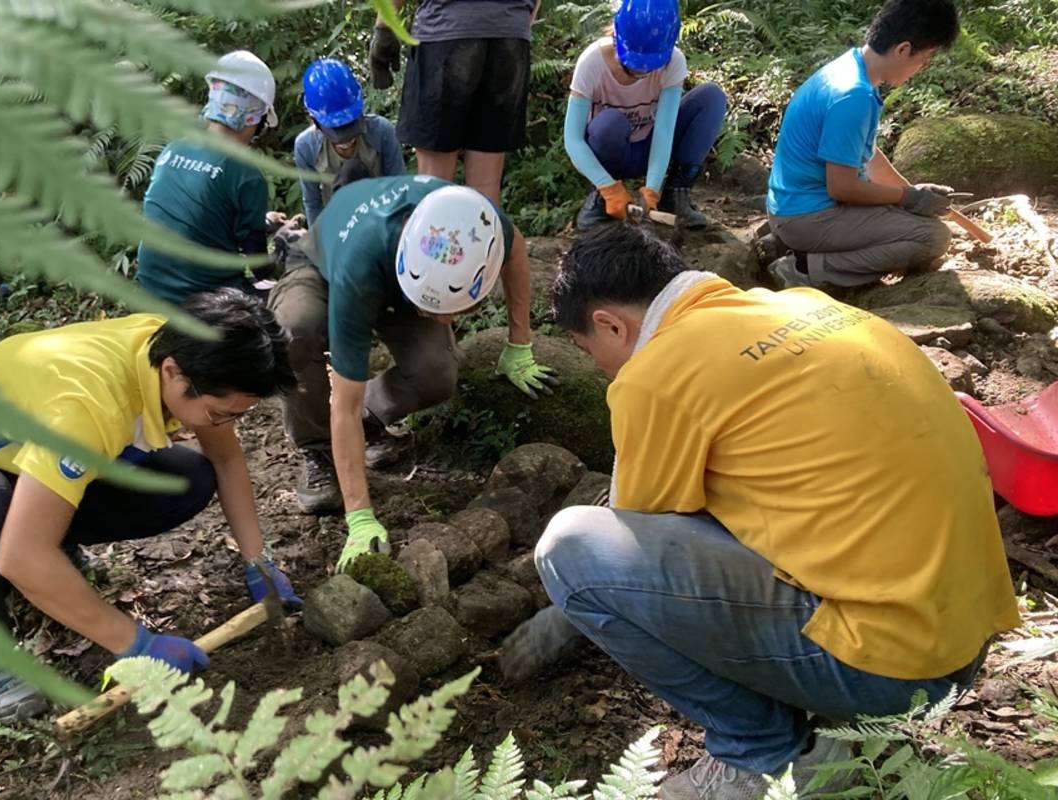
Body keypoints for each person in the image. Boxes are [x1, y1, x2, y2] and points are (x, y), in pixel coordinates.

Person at [503, 222, 1021, 799]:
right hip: (963, 642)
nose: (600, 367)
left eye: (589, 351)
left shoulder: (656, 373)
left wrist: (566, 611)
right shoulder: (805, 306)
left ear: (609, 324)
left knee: (568, 546)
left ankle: (758, 755)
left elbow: (630, 538)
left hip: (889, 674)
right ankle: (841, 738)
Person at [0, 290, 302, 722]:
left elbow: (225, 457)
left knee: (184, 479)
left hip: (15, 450)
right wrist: (137, 644)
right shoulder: (90, 404)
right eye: (218, 414)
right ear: (173, 373)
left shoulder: (178, 346)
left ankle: (47, 546)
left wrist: (257, 561)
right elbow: (20, 557)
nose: (222, 425)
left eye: (235, 415)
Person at [267, 175, 557, 568]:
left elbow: (517, 249)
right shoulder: (360, 270)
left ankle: (369, 422)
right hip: (323, 264)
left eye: (449, 310)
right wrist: (360, 518)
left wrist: (519, 345)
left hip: (407, 275)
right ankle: (318, 449)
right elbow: (344, 402)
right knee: (295, 328)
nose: (440, 319)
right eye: (435, 311)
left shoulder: (478, 223)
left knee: (435, 372)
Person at [763, 0, 960, 290]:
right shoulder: (853, 97)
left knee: (911, 219)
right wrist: (905, 198)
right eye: (925, 60)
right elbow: (842, 188)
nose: (922, 68)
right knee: (933, 237)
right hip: (806, 216)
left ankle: (796, 248)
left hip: (793, 207)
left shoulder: (849, 69)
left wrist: (913, 195)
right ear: (903, 49)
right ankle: (807, 269)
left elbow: (866, 156)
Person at [566, 0, 727, 231]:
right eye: (633, 65)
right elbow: (572, 140)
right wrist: (607, 186)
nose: (642, 71)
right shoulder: (591, 62)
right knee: (609, 123)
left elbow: (664, 130)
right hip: (611, 152)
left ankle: (675, 195)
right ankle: (602, 199)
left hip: (648, 147)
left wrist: (652, 189)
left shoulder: (674, 62)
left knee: (711, 97)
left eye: (650, 66)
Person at [137, 51, 280, 304]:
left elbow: (197, 217)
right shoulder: (246, 172)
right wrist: (280, 269)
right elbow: (257, 264)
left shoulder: (173, 149)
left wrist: (265, 222)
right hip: (206, 298)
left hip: (151, 287)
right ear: (254, 119)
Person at [368, 0, 539, 204]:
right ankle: (487, 235)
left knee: (434, 183)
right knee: (485, 186)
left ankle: (434, 235)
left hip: (446, 32)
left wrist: (383, 27)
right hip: (511, 36)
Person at [294, 58, 405, 225]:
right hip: (338, 224)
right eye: (336, 129)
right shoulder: (306, 147)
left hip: (383, 216)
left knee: (352, 170)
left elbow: (400, 187)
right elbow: (312, 203)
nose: (345, 137)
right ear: (315, 121)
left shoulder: (381, 131)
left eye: (349, 125)